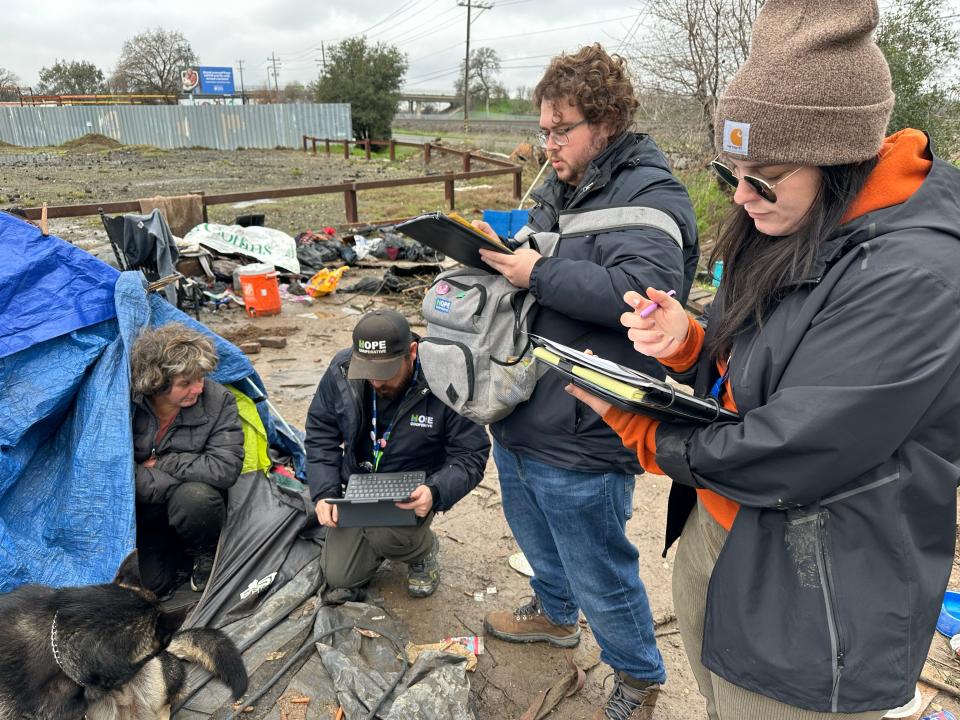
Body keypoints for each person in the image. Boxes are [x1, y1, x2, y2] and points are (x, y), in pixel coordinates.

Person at [567, 2, 960, 718]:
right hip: (721, 527)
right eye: (731, 174)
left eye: (764, 178)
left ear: (843, 159)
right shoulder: (801, 221)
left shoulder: (915, 277)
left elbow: (798, 446)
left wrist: (647, 434)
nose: (743, 200)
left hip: (816, 591)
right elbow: (750, 340)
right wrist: (688, 339)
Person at [473, 43, 699, 720]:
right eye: (542, 130)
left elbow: (647, 292)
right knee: (534, 531)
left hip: (586, 422)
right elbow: (552, 252)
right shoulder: (562, 185)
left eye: (559, 129)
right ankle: (554, 611)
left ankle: (638, 674)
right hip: (523, 403)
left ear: (603, 121)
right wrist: (503, 250)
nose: (548, 143)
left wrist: (534, 275)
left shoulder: (652, 194)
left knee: (599, 564)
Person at [305, 309, 490, 600]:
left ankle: (423, 549)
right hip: (358, 488)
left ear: (412, 352)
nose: (376, 383)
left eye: (386, 373)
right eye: (368, 373)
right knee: (339, 577)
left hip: (411, 491)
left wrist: (435, 490)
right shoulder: (341, 370)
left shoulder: (444, 378)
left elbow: (471, 453)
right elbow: (321, 434)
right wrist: (324, 492)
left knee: (385, 533)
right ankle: (383, 541)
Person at [131, 322, 244, 596]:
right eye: (185, 383)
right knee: (151, 586)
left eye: (201, 378)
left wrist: (163, 464)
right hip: (144, 511)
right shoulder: (126, 403)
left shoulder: (219, 402)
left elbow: (225, 468)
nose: (198, 389)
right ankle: (171, 550)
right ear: (156, 384)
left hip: (191, 507)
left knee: (195, 498)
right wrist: (163, 485)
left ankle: (205, 550)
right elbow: (112, 468)